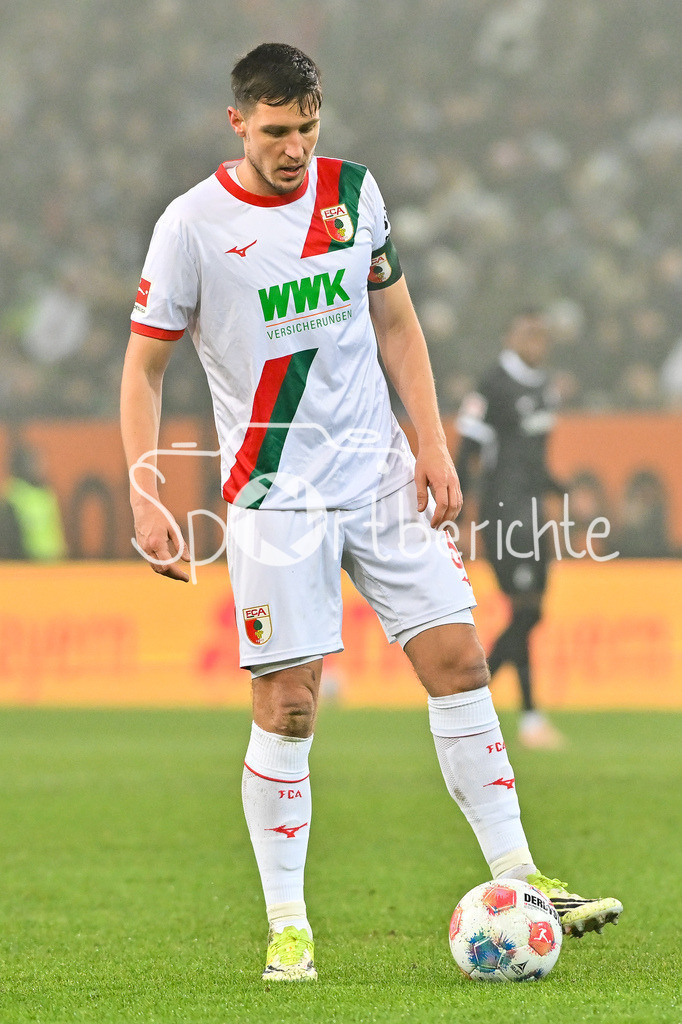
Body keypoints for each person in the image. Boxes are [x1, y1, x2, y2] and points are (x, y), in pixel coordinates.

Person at [120, 44, 622, 982]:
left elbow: (397, 322)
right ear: (239, 122)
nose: (295, 149)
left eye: (308, 128)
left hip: (381, 476)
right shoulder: (190, 225)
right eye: (275, 131)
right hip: (275, 495)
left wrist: (431, 442)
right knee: (290, 703)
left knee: (460, 658)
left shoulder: (354, 193)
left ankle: (521, 874)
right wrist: (146, 491)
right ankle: (288, 925)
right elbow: (143, 367)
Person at [456, 311, 567, 750]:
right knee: (524, 610)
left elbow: (532, 457)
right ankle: (519, 715)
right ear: (510, 336)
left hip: (533, 511)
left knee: (531, 612)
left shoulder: (544, 386)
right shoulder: (493, 384)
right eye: (528, 333)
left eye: (542, 334)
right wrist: (458, 506)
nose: (536, 342)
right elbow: (469, 450)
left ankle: (488, 705)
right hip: (504, 513)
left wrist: (559, 486)